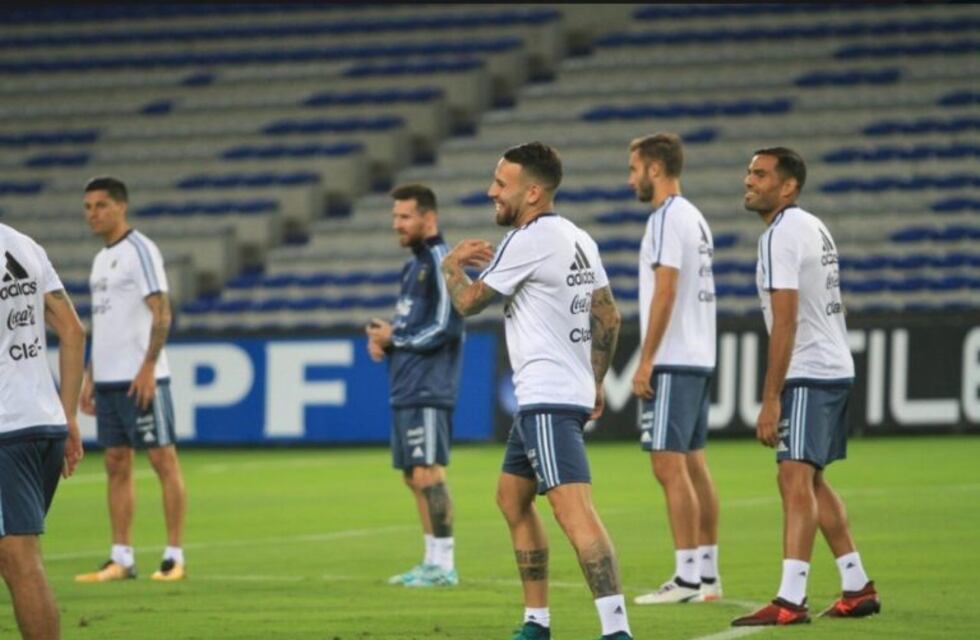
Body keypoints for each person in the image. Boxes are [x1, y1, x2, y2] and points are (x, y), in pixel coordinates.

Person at [441, 142, 633, 640]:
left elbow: (469, 302)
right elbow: (609, 315)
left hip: (547, 396)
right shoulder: (578, 237)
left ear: (532, 193)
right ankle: (536, 622)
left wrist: (451, 264)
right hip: (553, 394)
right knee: (512, 498)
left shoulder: (526, 240)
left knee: (574, 510)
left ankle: (616, 631)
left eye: (500, 184)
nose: (491, 191)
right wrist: (594, 380)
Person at [732, 148, 881, 626]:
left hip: (809, 370)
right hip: (833, 365)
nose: (748, 180)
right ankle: (857, 585)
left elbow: (786, 320)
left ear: (788, 186)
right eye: (749, 172)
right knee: (810, 479)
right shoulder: (813, 226)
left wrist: (770, 399)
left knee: (793, 477)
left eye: (760, 174)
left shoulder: (780, 235)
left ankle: (790, 599)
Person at [74, 176, 188, 583]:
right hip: (108, 380)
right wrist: (91, 375)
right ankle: (121, 557)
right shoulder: (100, 259)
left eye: (101, 205)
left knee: (162, 460)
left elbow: (162, 312)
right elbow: (105, 323)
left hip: (141, 378)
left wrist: (148, 367)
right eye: (88, 207)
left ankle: (174, 556)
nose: (93, 214)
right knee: (115, 463)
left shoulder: (140, 250)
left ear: (121, 206)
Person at [626, 134, 722, 605]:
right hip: (698, 354)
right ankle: (708, 575)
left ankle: (685, 579)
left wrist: (645, 359)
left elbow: (665, 290)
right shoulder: (695, 218)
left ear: (655, 169)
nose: (631, 179)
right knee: (693, 464)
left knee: (667, 464)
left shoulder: (665, 218)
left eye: (634, 169)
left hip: (673, 357)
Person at [365, 184, 464, 588]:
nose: (397, 224)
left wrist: (397, 338)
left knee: (428, 473)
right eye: (395, 217)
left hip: (428, 385)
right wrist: (385, 338)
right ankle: (430, 561)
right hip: (405, 385)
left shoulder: (443, 261)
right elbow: (410, 326)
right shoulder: (412, 268)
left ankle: (445, 564)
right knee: (412, 475)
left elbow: (445, 326)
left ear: (429, 218)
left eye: (405, 216)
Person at [0, 222, 85, 639]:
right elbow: (73, 330)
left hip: (6, 429)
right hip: (44, 424)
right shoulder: (25, 246)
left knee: (19, 560)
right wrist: (68, 416)